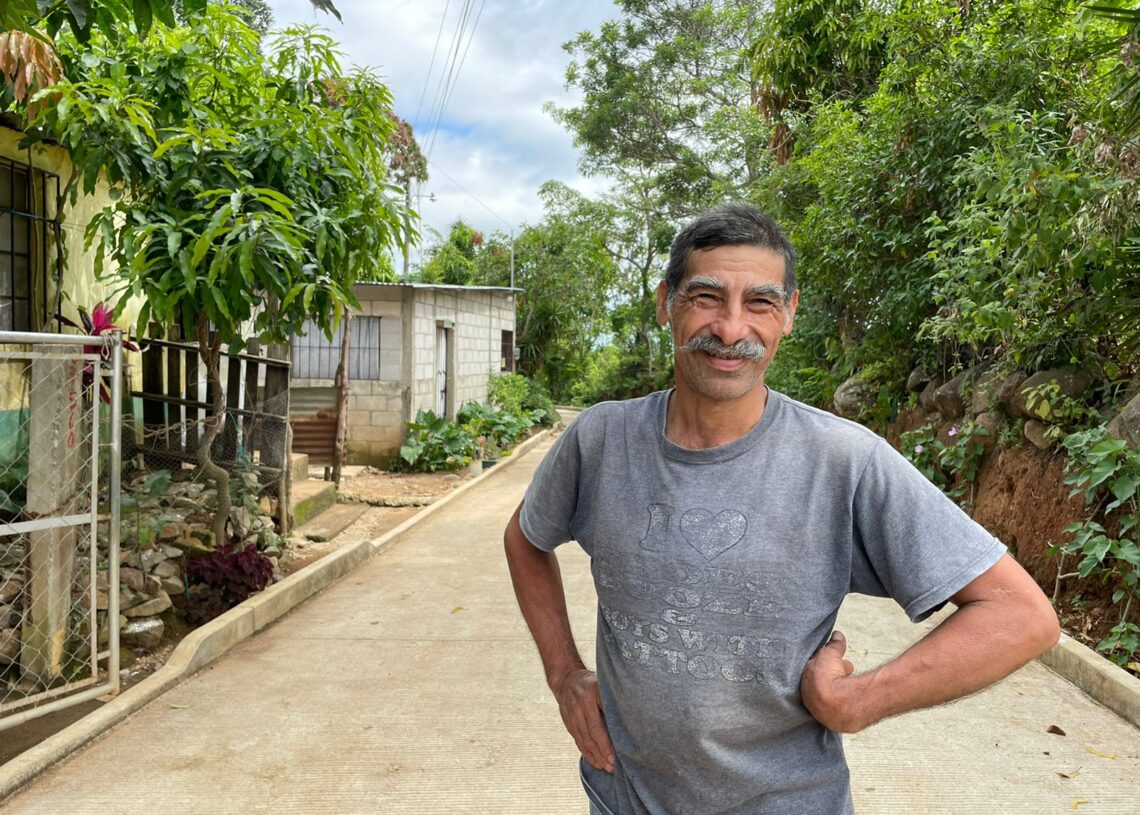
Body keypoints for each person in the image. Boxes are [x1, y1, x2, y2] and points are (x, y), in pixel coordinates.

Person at [503, 202, 1060, 815]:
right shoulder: (601, 440)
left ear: (789, 314)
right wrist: (564, 675)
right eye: (707, 298)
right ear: (666, 303)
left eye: (760, 303)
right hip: (622, 797)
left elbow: (1020, 616)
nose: (731, 328)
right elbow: (526, 538)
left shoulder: (843, 461)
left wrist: (861, 700)